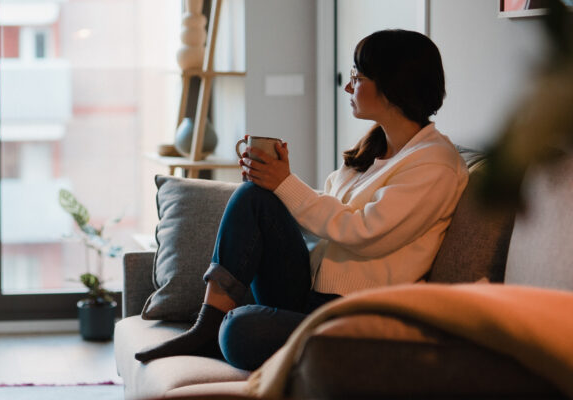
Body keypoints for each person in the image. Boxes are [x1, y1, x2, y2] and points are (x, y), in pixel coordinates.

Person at [136, 29, 469, 370]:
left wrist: (287, 186)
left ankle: (223, 328)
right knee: (254, 195)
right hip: (312, 291)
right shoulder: (379, 147)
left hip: (352, 314)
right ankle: (206, 327)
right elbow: (333, 218)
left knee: (241, 330)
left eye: (358, 76)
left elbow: (364, 233)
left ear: (393, 86)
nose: (348, 86)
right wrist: (278, 185)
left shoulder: (434, 164)